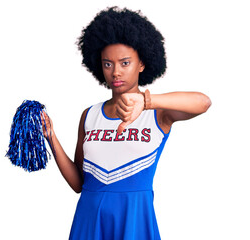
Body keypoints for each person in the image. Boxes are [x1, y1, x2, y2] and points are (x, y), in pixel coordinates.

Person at [42, 7, 211, 240]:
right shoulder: (89, 115)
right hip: (89, 218)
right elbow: (79, 183)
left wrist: (146, 101)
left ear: (142, 63)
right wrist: (51, 137)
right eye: (108, 64)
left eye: (125, 63)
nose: (116, 72)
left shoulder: (157, 113)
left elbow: (203, 102)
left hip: (134, 217)